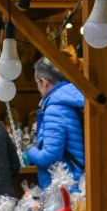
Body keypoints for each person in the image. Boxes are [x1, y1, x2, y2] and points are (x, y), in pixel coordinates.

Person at [25, 57, 85, 186]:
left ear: (44, 82)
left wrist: (30, 150)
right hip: (78, 179)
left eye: (37, 83)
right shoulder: (71, 100)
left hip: (65, 186)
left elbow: (49, 157)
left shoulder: (55, 108)